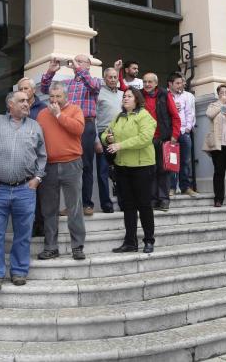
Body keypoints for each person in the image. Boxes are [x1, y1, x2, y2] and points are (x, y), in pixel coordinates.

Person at [0, 91, 47, 291]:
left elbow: (42, 155)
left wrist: (37, 179)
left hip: (25, 189)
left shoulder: (35, 127)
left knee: (23, 234)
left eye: (27, 101)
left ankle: (18, 272)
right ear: (10, 104)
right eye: (22, 101)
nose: (27, 104)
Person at [41, 55, 100, 216]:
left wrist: (79, 69)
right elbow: (45, 89)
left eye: (80, 61)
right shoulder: (67, 83)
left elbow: (93, 87)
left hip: (85, 125)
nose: (76, 63)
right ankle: (72, 205)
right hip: (64, 123)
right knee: (72, 166)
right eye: (75, 61)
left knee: (86, 165)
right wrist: (50, 72)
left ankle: (87, 203)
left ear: (88, 65)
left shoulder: (94, 81)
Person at [102, 87, 158, 253]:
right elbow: (105, 134)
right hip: (122, 167)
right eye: (124, 96)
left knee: (144, 205)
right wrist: (108, 138)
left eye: (129, 96)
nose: (125, 98)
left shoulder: (144, 116)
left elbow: (145, 139)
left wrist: (120, 144)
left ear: (136, 99)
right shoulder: (119, 117)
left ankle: (149, 240)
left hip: (142, 167)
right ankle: (130, 242)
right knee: (128, 206)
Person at [36, 82, 87, 260]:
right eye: (52, 96)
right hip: (48, 166)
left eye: (58, 96)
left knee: (74, 207)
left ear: (66, 96)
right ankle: (51, 247)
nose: (54, 100)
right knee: (49, 210)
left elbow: (79, 129)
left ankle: (78, 247)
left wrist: (58, 115)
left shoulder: (75, 110)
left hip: (71, 163)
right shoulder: (42, 114)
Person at [141, 73, 181, 211]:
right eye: (145, 81)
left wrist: (174, 136)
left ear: (156, 83)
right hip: (146, 140)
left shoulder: (165, 94)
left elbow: (175, 116)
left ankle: (163, 200)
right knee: (149, 171)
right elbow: (123, 88)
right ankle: (152, 199)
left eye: (150, 82)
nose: (147, 84)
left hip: (163, 138)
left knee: (163, 170)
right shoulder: (139, 95)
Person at [17, 77, 47, 237]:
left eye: (26, 89)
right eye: (20, 89)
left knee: (40, 196)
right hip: (18, 159)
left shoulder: (43, 108)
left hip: (37, 159)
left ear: (33, 90)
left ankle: (40, 226)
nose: (23, 92)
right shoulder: (14, 108)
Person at [94, 68, 121, 213]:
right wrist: (96, 139)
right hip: (103, 134)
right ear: (104, 78)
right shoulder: (98, 93)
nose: (112, 79)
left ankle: (124, 201)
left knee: (122, 170)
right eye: (109, 77)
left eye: (115, 77)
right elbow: (94, 116)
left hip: (120, 136)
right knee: (103, 171)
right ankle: (106, 204)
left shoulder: (123, 94)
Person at [167, 73, 198, 197]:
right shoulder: (165, 96)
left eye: (181, 83)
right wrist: (171, 107)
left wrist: (188, 128)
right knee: (172, 161)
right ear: (170, 84)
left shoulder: (186, 96)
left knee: (186, 161)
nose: (181, 85)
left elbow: (190, 113)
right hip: (171, 133)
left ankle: (186, 187)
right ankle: (172, 187)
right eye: (178, 83)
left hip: (184, 132)